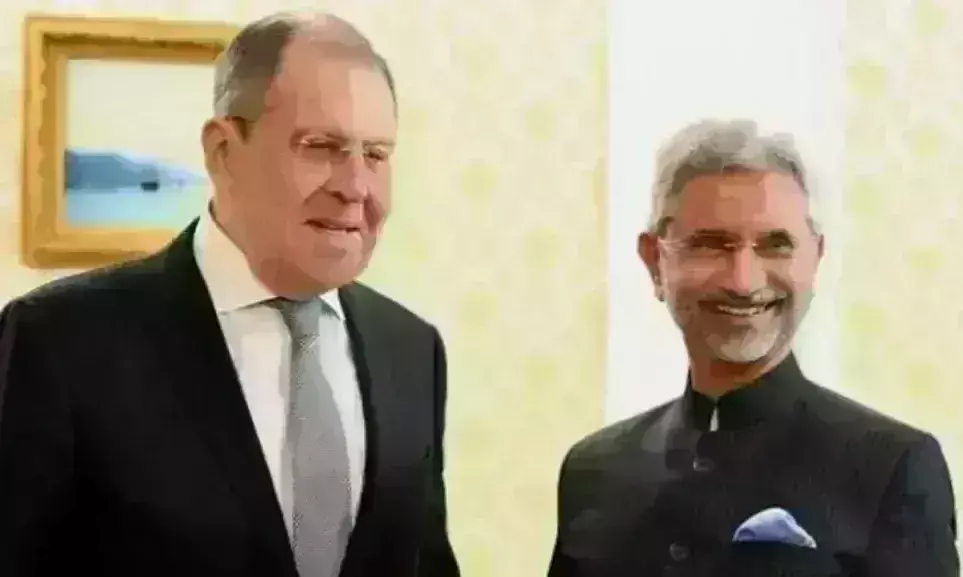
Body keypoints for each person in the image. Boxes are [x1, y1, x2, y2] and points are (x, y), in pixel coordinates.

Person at [0, 11, 460, 577]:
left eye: (376, 155)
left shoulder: (411, 350)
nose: (355, 187)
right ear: (223, 150)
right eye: (320, 146)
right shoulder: (60, 342)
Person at [548, 119, 959, 577]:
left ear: (814, 259)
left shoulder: (891, 468)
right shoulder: (593, 471)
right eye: (711, 245)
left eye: (775, 245)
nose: (743, 282)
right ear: (655, 262)